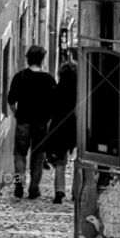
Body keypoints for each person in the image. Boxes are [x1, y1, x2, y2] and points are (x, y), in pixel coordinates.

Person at [7, 44, 57, 199]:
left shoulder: (20, 76)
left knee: (19, 154)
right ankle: (34, 189)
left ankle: (19, 185)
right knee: (38, 156)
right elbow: (54, 104)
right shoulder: (48, 79)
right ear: (42, 60)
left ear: (28, 59)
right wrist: (48, 120)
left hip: (23, 122)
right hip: (41, 124)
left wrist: (16, 115)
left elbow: (11, 100)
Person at [46, 60, 78, 204]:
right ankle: (76, 192)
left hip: (58, 127)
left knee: (60, 162)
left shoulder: (55, 90)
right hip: (75, 126)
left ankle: (59, 191)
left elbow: (50, 111)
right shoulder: (80, 92)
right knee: (80, 160)